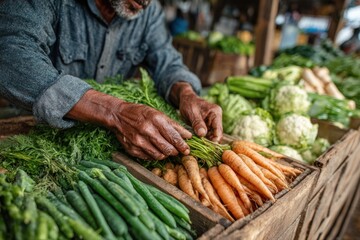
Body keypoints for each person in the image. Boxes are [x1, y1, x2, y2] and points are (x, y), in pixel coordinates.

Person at [0, 0, 223, 161]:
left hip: (101, 147)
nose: (145, 3)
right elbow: (10, 57)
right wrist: (114, 112)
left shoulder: (149, 13)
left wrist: (185, 93)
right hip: (28, 132)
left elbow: (168, 63)